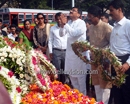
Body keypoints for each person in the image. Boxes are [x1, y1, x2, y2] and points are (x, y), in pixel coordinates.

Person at [87, 5, 112, 104]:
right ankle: (98, 101)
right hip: (94, 59)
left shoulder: (107, 27)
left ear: (97, 16)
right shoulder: (91, 27)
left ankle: (105, 102)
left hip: (104, 60)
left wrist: (101, 51)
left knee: (105, 84)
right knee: (96, 82)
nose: (89, 19)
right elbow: (92, 43)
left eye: (91, 17)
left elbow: (112, 45)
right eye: (88, 16)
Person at [59, 7, 87, 95]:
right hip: (70, 55)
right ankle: (76, 98)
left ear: (79, 14)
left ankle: (84, 99)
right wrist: (63, 25)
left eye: (74, 11)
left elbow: (74, 34)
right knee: (73, 80)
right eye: (70, 10)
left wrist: (65, 24)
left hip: (79, 55)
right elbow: (61, 34)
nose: (71, 11)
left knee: (80, 81)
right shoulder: (69, 23)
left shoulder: (81, 23)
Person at [108, 0, 130, 104]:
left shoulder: (128, 25)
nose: (110, 13)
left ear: (119, 9)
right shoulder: (115, 26)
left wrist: (128, 63)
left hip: (126, 63)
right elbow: (113, 47)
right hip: (115, 63)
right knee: (117, 92)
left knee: (127, 93)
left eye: (112, 10)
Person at [48, 12, 67, 84]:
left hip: (66, 51)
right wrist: (50, 52)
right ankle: (58, 84)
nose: (59, 20)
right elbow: (50, 40)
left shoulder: (67, 27)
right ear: (55, 20)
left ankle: (64, 84)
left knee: (65, 70)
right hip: (56, 51)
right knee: (57, 69)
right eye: (57, 19)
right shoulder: (53, 28)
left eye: (60, 19)